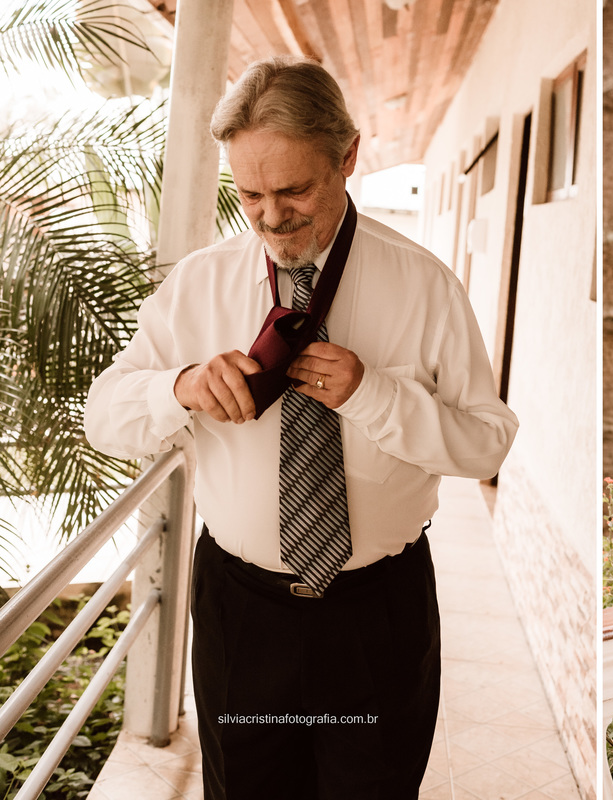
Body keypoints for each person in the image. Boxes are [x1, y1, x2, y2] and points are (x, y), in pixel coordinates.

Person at [85, 55, 518, 799]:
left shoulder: (425, 287)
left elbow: (487, 441)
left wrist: (375, 395)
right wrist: (180, 387)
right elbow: (105, 418)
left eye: (293, 189)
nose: (271, 215)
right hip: (243, 615)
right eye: (249, 192)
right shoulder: (198, 285)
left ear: (348, 157)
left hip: (378, 618)